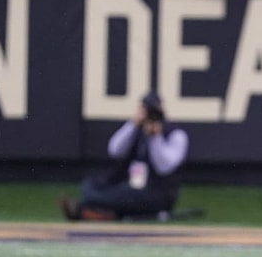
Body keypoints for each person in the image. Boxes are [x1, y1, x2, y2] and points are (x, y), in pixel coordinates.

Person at [60, 92, 189, 221]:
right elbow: (114, 150)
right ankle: (98, 210)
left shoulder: (175, 134)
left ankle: (84, 209)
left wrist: (155, 137)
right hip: (130, 186)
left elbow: (164, 167)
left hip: (156, 193)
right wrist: (133, 124)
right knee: (89, 186)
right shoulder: (136, 129)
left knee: (120, 195)